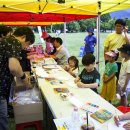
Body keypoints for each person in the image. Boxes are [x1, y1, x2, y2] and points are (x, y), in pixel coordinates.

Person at [0, 26, 35, 130]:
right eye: (27, 43)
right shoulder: (14, 42)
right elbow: (14, 67)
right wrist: (24, 78)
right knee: (2, 118)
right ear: (23, 37)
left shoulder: (6, 40)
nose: (25, 47)